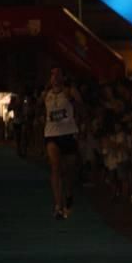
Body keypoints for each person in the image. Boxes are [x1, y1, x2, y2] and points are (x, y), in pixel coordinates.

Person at [42, 67, 83, 220]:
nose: (55, 77)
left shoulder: (69, 92)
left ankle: (69, 194)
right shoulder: (46, 94)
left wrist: (81, 124)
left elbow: (81, 107)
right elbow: (41, 109)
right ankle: (58, 205)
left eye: (58, 74)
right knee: (55, 167)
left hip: (68, 133)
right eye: (52, 74)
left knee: (68, 171)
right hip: (51, 134)